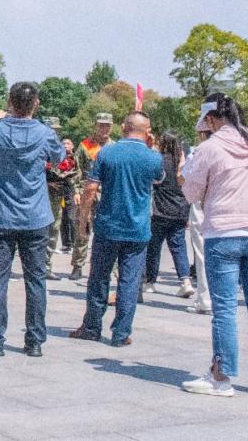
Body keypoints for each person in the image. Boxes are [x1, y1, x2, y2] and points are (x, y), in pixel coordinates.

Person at [180, 94, 248, 397]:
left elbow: (191, 193)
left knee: (224, 308)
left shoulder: (210, 148)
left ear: (211, 119)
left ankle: (221, 377)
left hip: (224, 232)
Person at [0, 82, 64, 358]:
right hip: (35, 216)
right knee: (36, 280)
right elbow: (59, 157)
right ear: (36, 104)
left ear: (9, 101)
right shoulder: (45, 133)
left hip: (1, 215)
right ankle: (34, 341)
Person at [68, 112, 163, 347]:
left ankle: (91, 327)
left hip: (108, 225)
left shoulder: (107, 153)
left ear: (123, 127)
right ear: (147, 131)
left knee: (99, 278)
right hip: (138, 229)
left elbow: (91, 188)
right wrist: (152, 147)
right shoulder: (153, 157)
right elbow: (159, 179)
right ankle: (121, 333)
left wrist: (83, 219)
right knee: (129, 281)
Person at [143, 131, 194, 297]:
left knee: (154, 246)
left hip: (160, 209)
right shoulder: (182, 162)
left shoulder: (159, 160)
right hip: (180, 209)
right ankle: (185, 281)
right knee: (179, 246)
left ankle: (150, 282)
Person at [69, 112, 115, 280]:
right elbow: (76, 170)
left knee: (107, 232)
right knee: (83, 228)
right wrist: (76, 191)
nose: (104, 129)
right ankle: (77, 265)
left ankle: (107, 267)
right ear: (95, 126)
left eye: (107, 126)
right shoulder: (85, 146)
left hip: (107, 194)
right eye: (101, 125)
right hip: (87, 192)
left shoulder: (115, 147)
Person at [43, 118, 77, 280]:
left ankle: (46, 266)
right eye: (52, 130)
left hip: (56, 196)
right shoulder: (36, 146)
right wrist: (47, 182)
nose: (54, 133)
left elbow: (74, 171)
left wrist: (67, 180)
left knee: (53, 230)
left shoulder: (60, 150)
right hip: (38, 196)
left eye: (56, 131)